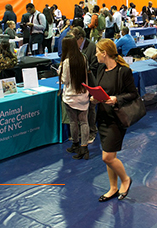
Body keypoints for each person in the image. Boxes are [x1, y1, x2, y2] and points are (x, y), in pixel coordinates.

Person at [92, 39, 135, 202]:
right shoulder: (101, 70)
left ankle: (125, 179)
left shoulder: (123, 72)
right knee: (109, 154)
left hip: (116, 119)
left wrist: (116, 99)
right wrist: (94, 98)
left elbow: (133, 94)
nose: (95, 54)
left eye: (97, 51)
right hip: (103, 117)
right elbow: (100, 90)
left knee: (107, 157)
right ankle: (113, 187)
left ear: (104, 53)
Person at [59, 35, 90, 160]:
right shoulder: (83, 58)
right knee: (84, 121)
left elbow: (65, 80)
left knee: (73, 121)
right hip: (83, 95)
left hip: (71, 97)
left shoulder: (66, 62)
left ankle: (75, 144)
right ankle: (84, 148)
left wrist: (59, 72)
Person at [70, 27, 98, 144]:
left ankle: (92, 132)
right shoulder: (73, 47)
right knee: (78, 108)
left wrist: (86, 70)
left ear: (81, 38)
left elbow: (95, 65)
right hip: (77, 84)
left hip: (90, 82)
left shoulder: (91, 47)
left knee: (90, 108)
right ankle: (80, 132)